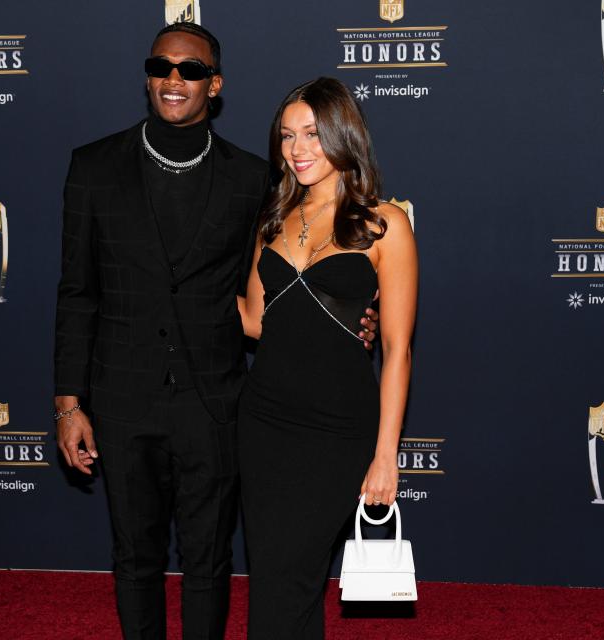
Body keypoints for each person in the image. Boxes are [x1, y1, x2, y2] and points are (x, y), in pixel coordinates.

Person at [52, 25, 377, 640]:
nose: (175, 80)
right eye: (162, 67)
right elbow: (76, 292)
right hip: (122, 400)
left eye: (191, 70)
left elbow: (291, 277)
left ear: (215, 84)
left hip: (219, 402)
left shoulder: (253, 180)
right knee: (135, 559)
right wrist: (69, 403)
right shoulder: (92, 168)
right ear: (148, 75)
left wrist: (354, 312)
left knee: (210, 562)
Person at [237, 77, 418, 639]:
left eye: (313, 134)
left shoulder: (386, 224)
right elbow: (253, 321)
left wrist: (386, 455)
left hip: (338, 432)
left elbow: (397, 350)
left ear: (343, 135)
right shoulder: (273, 218)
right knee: (275, 578)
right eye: (288, 136)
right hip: (264, 423)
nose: (298, 149)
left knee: (293, 573)